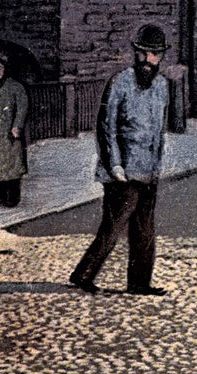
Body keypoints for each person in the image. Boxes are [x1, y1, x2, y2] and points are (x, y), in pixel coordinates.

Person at [69, 24, 170, 296]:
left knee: (144, 231)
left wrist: (158, 165)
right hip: (122, 171)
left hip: (148, 170)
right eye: (144, 53)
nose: (148, 60)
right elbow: (107, 127)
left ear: (161, 57)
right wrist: (114, 165)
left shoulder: (162, 86)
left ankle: (139, 283)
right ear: (136, 53)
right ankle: (83, 274)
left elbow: (159, 131)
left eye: (154, 55)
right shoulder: (119, 82)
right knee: (113, 227)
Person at [0, 53, 28, 208]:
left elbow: (22, 108)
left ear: (5, 69)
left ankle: (13, 197)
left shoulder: (15, 86)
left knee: (12, 166)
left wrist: (17, 126)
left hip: (10, 134)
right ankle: (0, 195)